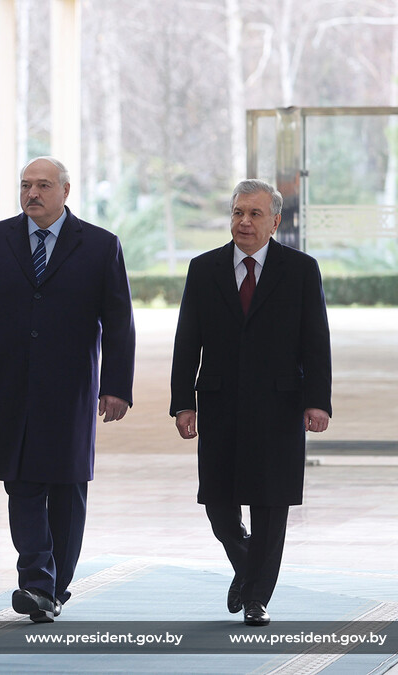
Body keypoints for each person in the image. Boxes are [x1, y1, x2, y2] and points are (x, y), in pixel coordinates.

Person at [0, 156, 135, 623]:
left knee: (66, 484)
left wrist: (116, 386)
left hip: (70, 387)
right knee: (22, 483)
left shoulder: (99, 245)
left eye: (44, 185)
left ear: (65, 192)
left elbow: (119, 324)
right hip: (8, 383)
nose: (33, 193)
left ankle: (56, 583)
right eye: (26, 185)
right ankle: (35, 582)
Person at [170, 179, 331, 627]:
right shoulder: (204, 269)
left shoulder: (300, 270)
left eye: (255, 214)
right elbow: (187, 342)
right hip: (219, 402)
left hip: (280, 405)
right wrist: (183, 402)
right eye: (238, 212)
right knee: (219, 505)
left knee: (269, 504)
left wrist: (318, 402)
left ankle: (258, 596)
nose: (244, 221)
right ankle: (246, 566)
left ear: (275, 221)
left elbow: (316, 342)